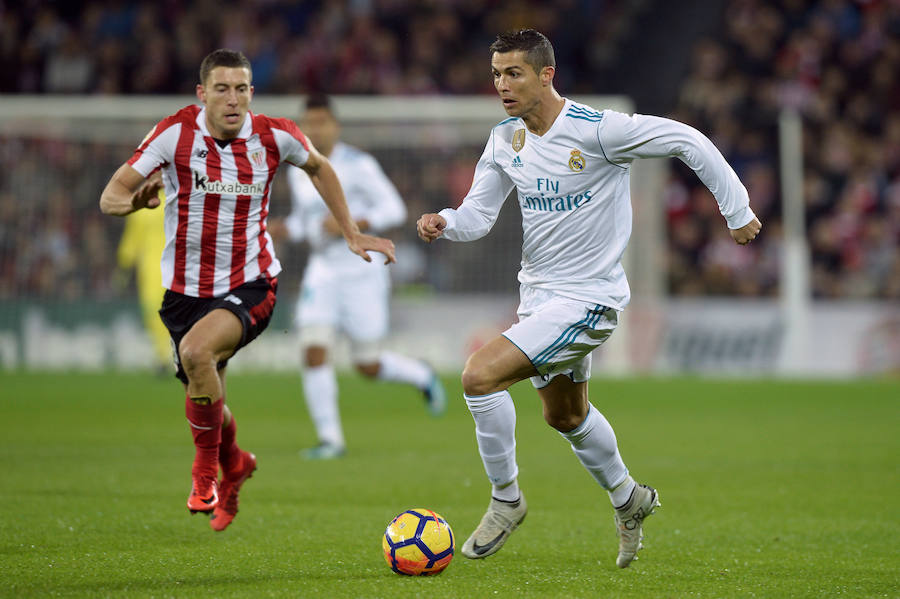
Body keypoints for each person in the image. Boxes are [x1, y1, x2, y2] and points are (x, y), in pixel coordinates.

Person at [417, 29, 761, 568]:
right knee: (565, 416)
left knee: (478, 377)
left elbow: (685, 139)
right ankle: (629, 499)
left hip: (588, 301)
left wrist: (736, 210)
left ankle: (506, 500)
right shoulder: (505, 139)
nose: (502, 86)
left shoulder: (599, 131)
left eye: (514, 74)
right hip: (539, 299)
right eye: (496, 75)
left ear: (546, 74)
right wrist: (446, 222)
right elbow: (478, 216)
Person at [99, 49, 395, 532]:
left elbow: (319, 167)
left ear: (251, 93)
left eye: (241, 88)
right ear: (202, 94)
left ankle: (204, 472)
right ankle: (234, 464)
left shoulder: (274, 134)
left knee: (197, 355)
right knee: (205, 387)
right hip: (184, 294)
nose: (233, 99)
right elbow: (110, 196)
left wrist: (350, 232)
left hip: (252, 283)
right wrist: (134, 202)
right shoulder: (174, 132)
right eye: (222, 88)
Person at [272, 94, 446, 460]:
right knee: (313, 346)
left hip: (362, 269)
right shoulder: (298, 169)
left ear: (335, 126)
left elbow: (394, 208)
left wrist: (351, 225)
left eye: (322, 122)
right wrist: (278, 229)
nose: (316, 129)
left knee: (368, 365)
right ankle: (330, 439)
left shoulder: (359, 164)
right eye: (310, 122)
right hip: (323, 271)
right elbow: (308, 224)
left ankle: (421, 375)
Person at [116, 189, 170, 371]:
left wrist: (123, 267)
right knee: (169, 312)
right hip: (173, 266)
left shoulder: (141, 203)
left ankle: (164, 355)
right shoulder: (178, 199)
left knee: (155, 312)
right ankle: (166, 355)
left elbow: (131, 240)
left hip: (153, 269)